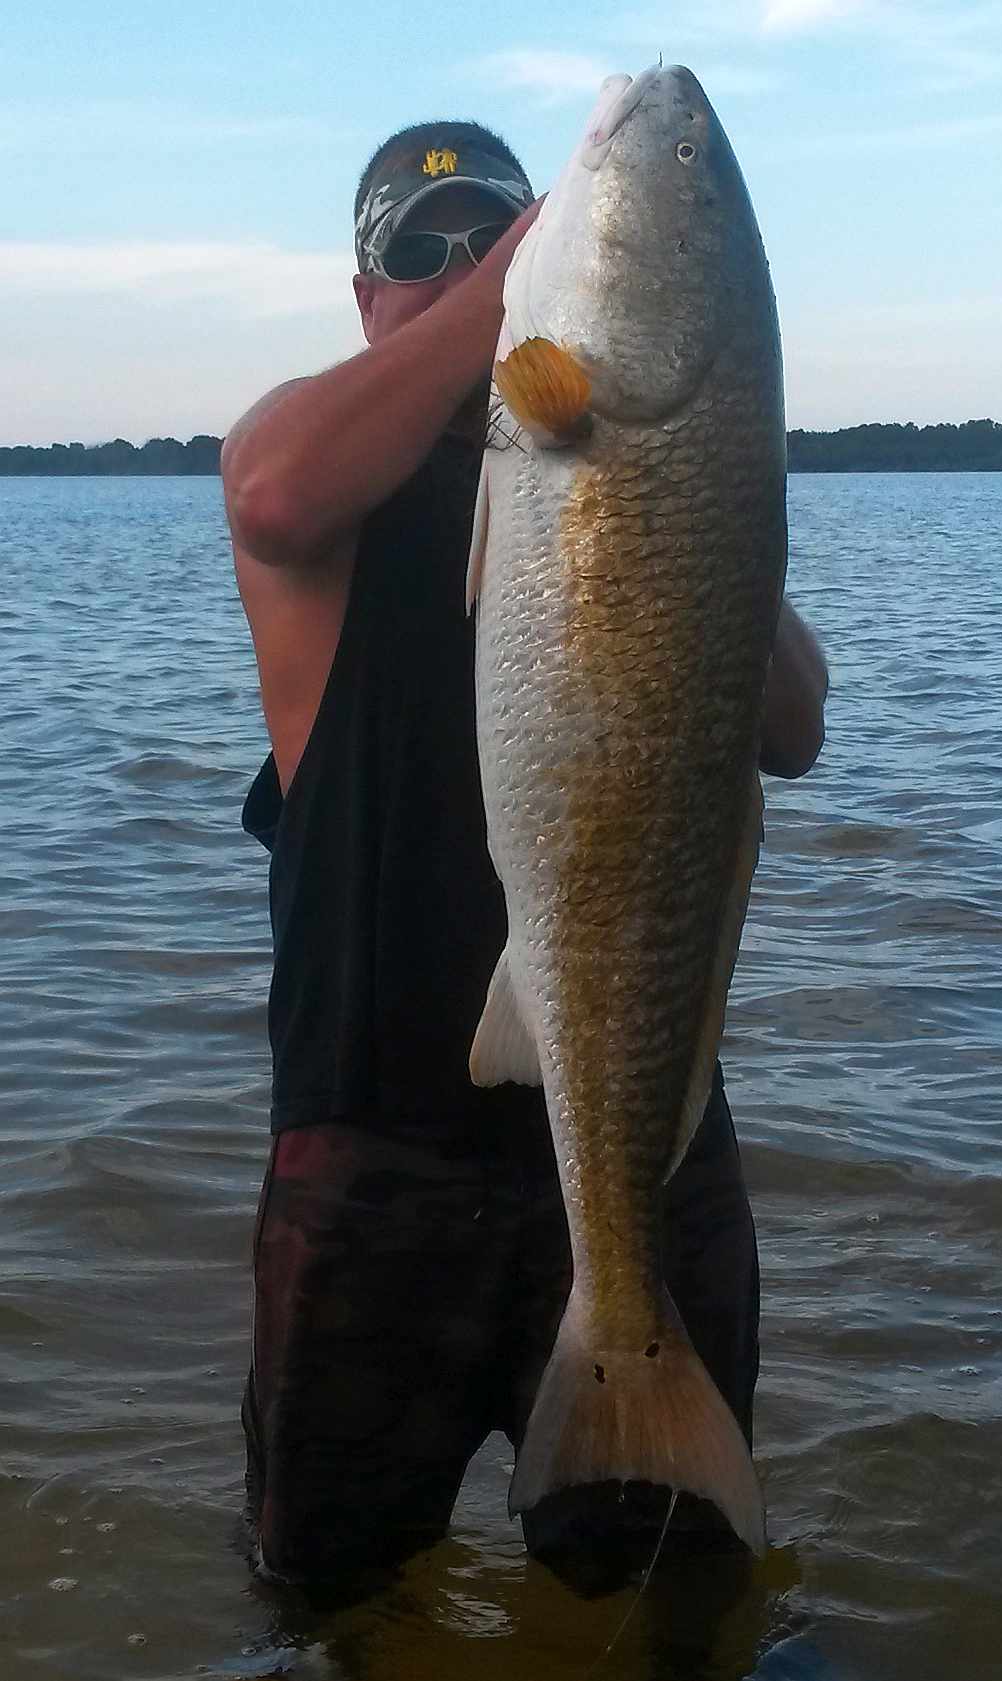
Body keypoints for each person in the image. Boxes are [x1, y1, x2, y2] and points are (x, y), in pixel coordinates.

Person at [221, 118, 828, 1596]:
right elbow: (272, 491)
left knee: (674, 1604)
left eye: (484, 234)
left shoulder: (599, 463)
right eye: (414, 256)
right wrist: (510, 295)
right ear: (363, 299)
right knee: (334, 1602)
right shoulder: (319, 481)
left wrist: (695, 493)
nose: (453, 272)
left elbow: (794, 723)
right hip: (375, 1145)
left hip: (636, 1133)